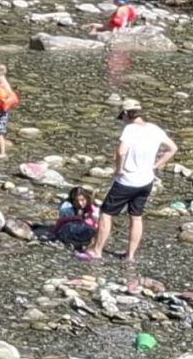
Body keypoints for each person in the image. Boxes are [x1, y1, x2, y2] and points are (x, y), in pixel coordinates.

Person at [92, 101, 177, 261]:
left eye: (122, 117)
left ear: (126, 114)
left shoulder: (130, 129)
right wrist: (156, 165)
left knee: (106, 213)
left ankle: (97, 251)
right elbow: (173, 148)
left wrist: (119, 169)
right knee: (136, 216)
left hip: (127, 180)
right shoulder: (154, 129)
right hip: (146, 180)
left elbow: (121, 151)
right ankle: (130, 255)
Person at [54, 186, 101, 256]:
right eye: (77, 201)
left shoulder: (90, 206)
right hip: (68, 229)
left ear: (87, 198)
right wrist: (78, 218)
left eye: (82, 200)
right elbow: (61, 221)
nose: (80, 203)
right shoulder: (66, 207)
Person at [0, 62, 20, 160]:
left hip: (1, 112)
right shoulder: (0, 80)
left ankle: (2, 152)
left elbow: (5, 95)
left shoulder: (2, 83)